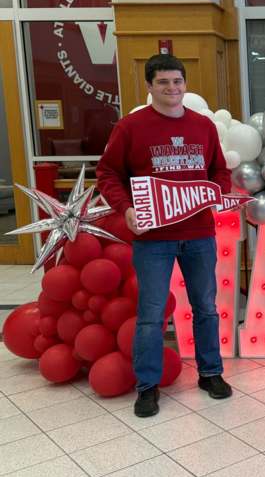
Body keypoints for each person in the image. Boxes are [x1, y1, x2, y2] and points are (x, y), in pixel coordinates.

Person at [97, 54, 233, 418]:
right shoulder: (130, 127)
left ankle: (210, 373)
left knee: (205, 306)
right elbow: (108, 174)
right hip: (153, 239)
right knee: (151, 314)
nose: (172, 88)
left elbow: (220, 171)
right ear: (149, 86)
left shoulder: (203, 126)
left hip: (200, 233)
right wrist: (125, 208)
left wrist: (218, 193)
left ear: (185, 84)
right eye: (163, 83)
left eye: (177, 81)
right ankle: (147, 386)